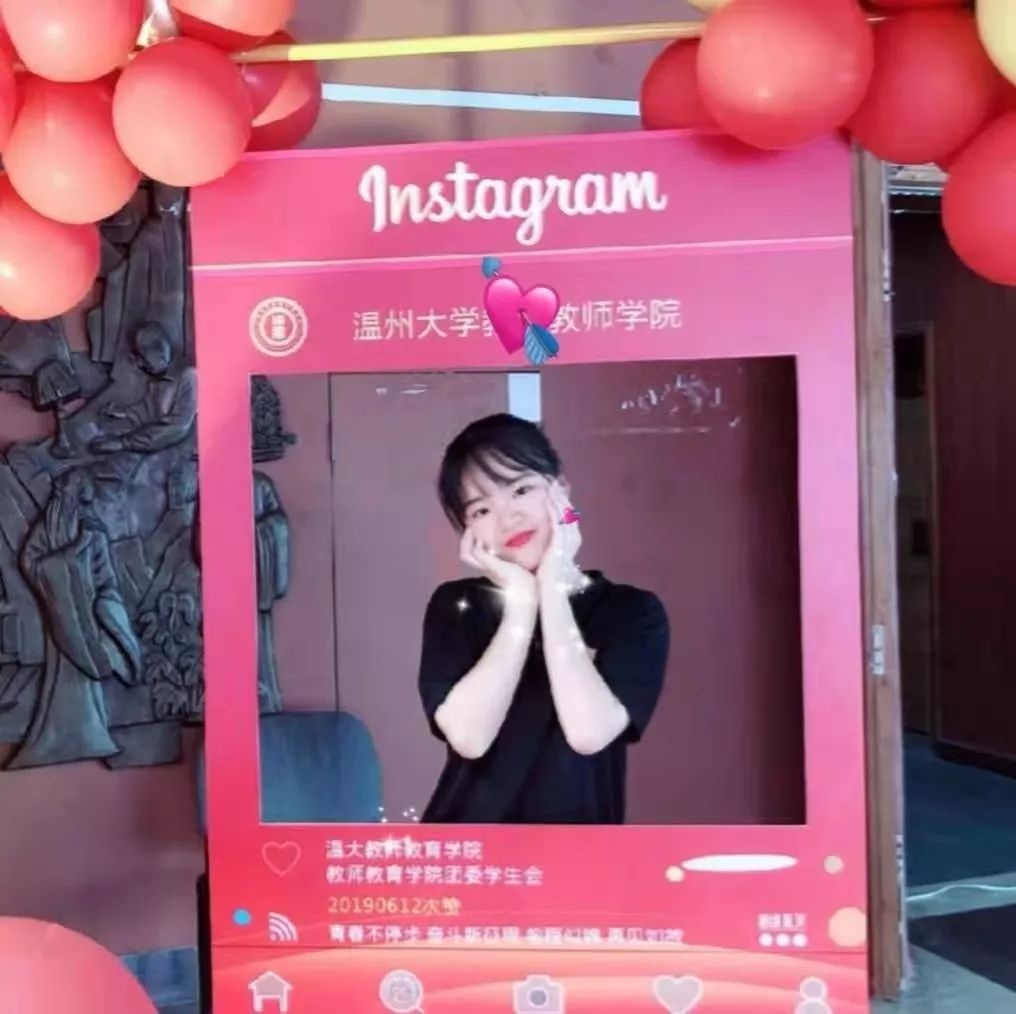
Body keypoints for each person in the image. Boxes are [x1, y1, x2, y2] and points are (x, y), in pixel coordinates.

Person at [418, 414, 669, 824]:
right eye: (482, 509)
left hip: (579, 854)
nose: (508, 518)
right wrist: (521, 601)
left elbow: (589, 733)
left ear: (561, 490)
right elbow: (469, 738)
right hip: (466, 849)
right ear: (468, 529)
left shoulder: (632, 612)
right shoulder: (455, 607)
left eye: (521, 489)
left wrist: (552, 587)